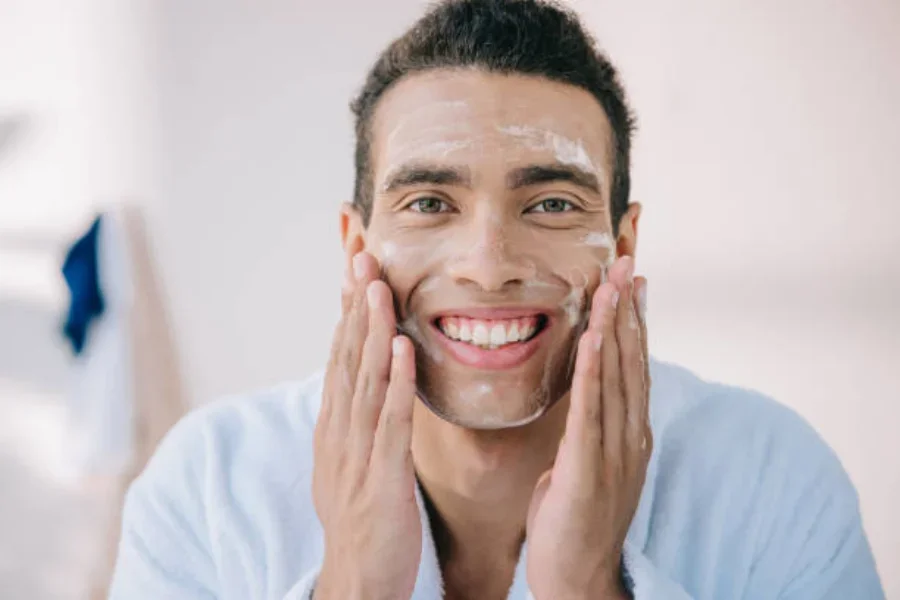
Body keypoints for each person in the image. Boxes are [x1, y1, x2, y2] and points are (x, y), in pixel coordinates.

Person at [108, 1, 885, 598]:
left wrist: (588, 587)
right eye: (429, 203)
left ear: (623, 248)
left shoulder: (772, 482)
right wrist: (354, 586)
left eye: (551, 204)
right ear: (356, 249)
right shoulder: (208, 490)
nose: (488, 267)